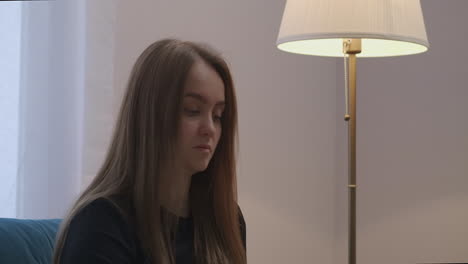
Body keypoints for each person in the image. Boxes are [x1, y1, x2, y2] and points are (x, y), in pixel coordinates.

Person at [52, 39, 246, 264]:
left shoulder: (226, 219)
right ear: (150, 116)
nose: (210, 129)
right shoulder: (101, 223)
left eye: (217, 115)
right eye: (193, 111)